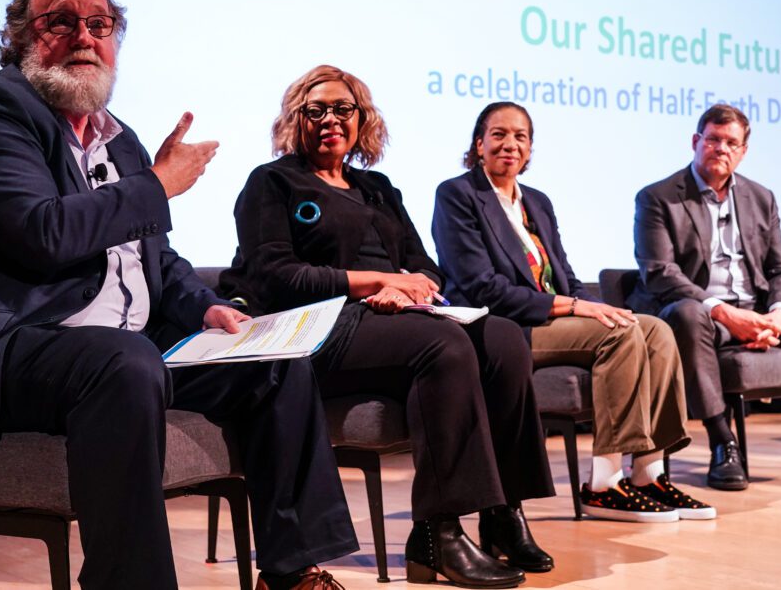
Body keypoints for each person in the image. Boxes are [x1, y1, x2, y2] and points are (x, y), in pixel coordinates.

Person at [0, 0, 358, 589]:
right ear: (19, 36)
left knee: (274, 361)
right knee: (122, 361)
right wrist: (158, 184)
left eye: (100, 23)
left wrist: (206, 309)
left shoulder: (118, 142)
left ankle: (292, 573)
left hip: (118, 352)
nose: (84, 36)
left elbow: (157, 259)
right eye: (59, 21)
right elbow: (42, 233)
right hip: (8, 348)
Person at [219, 66, 555, 588]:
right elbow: (275, 276)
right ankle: (437, 533)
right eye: (316, 109)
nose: (331, 119)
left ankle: (501, 514)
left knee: (506, 338)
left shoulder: (378, 188)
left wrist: (408, 286)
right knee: (442, 345)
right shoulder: (274, 182)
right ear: (296, 120)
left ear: (362, 120)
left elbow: (427, 266)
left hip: (392, 321)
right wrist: (375, 282)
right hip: (316, 329)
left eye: (343, 109)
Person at [431, 101, 714, 523]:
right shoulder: (458, 195)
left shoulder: (537, 202)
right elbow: (481, 287)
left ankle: (648, 474)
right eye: (499, 134)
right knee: (620, 334)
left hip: (554, 318)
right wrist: (577, 307)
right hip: (504, 328)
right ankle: (602, 484)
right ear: (479, 143)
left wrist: (592, 306)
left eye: (521, 137)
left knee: (653, 328)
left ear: (530, 149)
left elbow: (564, 272)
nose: (510, 144)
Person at [630, 103, 781, 494]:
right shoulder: (658, 197)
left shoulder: (761, 198)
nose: (720, 149)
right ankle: (723, 442)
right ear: (696, 142)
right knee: (689, 315)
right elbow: (660, 272)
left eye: (730, 143)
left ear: (742, 151)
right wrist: (725, 314)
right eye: (712, 140)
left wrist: (778, 313)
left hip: (758, 310)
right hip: (703, 314)